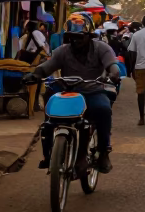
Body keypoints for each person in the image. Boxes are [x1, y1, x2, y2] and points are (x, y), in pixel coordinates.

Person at [26, 13, 120, 173]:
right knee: (49, 116)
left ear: (89, 36)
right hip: (68, 93)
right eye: (71, 36)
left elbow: (113, 66)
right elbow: (48, 66)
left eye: (79, 36)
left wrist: (113, 74)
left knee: (104, 110)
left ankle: (104, 151)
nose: (75, 40)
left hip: (93, 91)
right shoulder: (62, 51)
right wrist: (35, 74)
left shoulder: (102, 48)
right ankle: (48, 155)